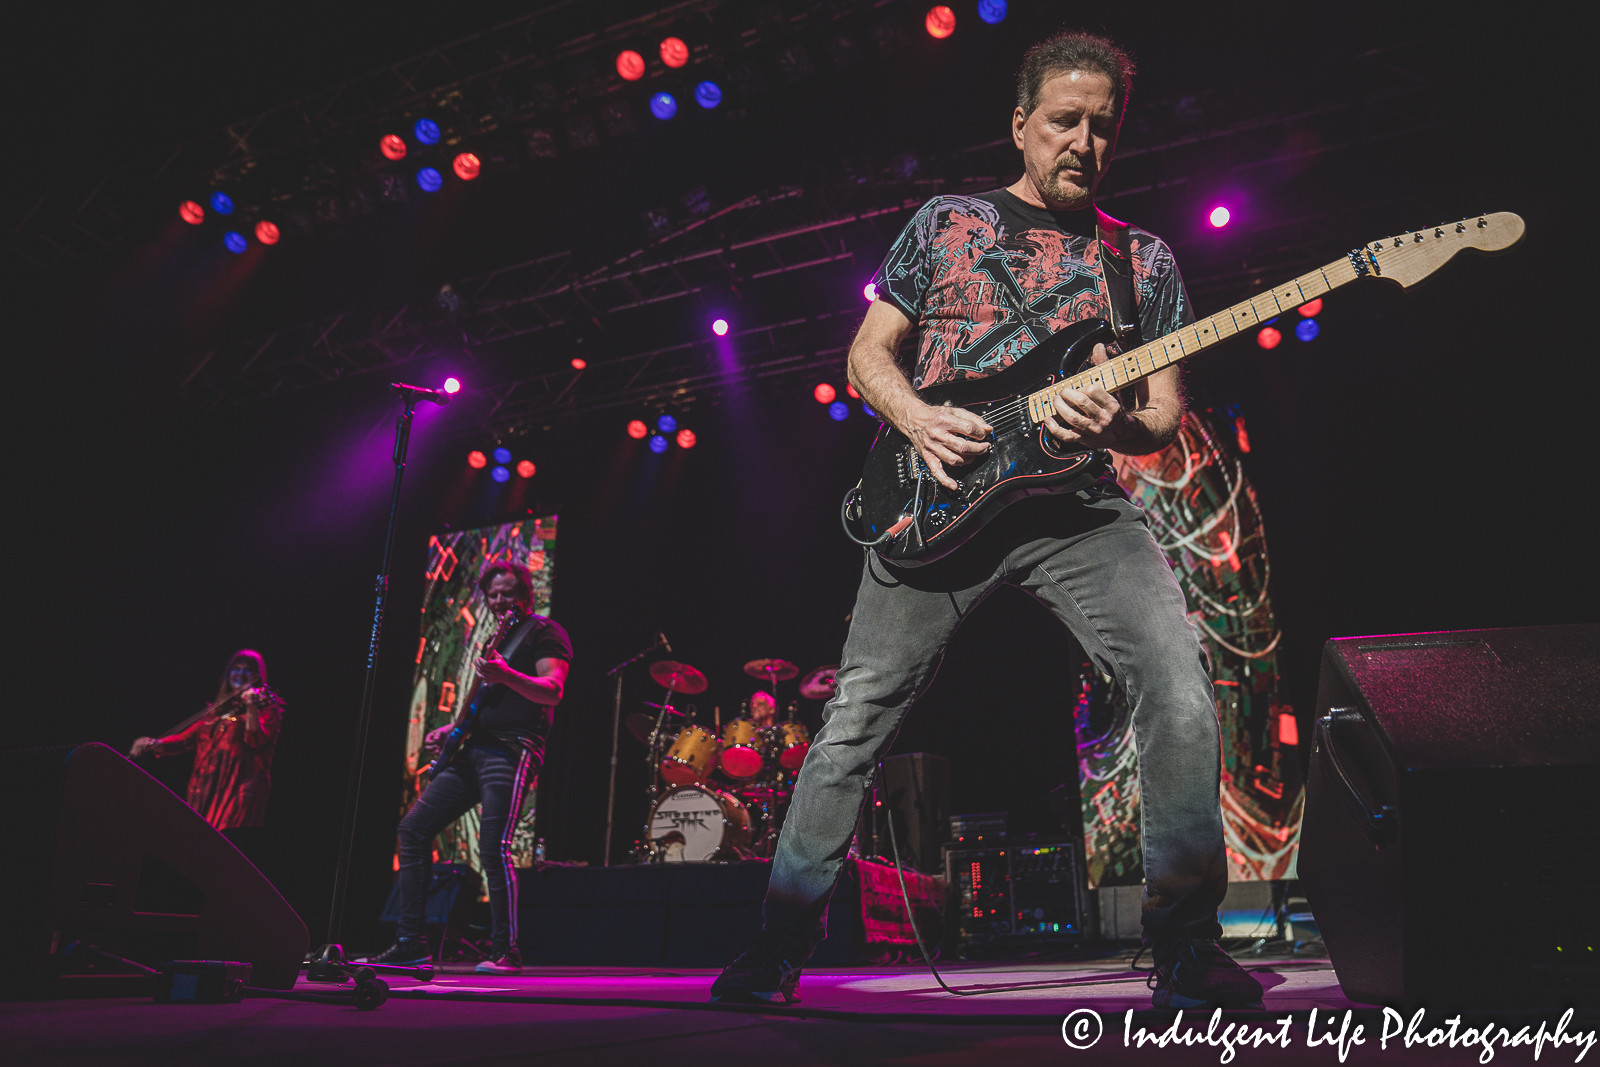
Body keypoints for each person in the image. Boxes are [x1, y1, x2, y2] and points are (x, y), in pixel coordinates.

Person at [710, 32, 1262, 1011]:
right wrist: (917, 415)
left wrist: (1117, 415)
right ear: (1020, 123)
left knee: (1178, 682)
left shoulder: (1141, 259)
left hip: (1077, 510)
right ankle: (776, 943)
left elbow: (1162, 414)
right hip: (934, 501)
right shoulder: (945, 220)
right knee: (853, 726)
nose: (1082, 142)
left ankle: (1183, 947)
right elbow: (867, 356)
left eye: (1102, 127)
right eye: (1063, 120)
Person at [361, 561, 571, 975]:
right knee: (412, 828)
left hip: (512, 748)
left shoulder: (544, 632)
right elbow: (481, 700)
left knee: (494, 846)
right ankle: (411, 943)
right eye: (492, 595)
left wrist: (508, 675)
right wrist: (453, 729)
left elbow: (553, 691)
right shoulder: (497, 639)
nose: (498, 601)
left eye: (506, 594)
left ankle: (505, 952)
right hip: (472, 748)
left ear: (526, 594)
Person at [131, 650, 284, 848]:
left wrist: (252, 705)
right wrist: (153, 744)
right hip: (203, 794)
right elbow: (186, 740)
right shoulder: (215, 713)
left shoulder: (267, 707)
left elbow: (255, 739)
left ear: (258, 675)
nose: (241, 674)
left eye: (248, 670)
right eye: (236, 669)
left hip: (237, 798)